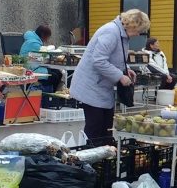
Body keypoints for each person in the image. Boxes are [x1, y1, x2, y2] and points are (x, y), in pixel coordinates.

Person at [71, 9, 149, 144]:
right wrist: (120, 76)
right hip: (91, 86)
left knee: (106, 127)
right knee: (95, 127)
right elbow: (98, 60)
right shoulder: (111, 32)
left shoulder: (121, 34)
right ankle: (91, 158)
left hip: (101, 86)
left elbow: (115, 57)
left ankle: (103, 158)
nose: (138, 34)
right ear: (132, 25)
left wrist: (127, 69)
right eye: (138, 31)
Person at [19, 24, 63, 91]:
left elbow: (38, 58)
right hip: (30, 69)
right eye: (47, 37)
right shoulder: (34, 43)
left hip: (34, 65)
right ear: (43, 35)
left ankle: (51, 96)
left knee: (57, 73)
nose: (47, 39)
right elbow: (43, 58)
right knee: (54, 76)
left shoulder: (33, 40)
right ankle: (49, 96)